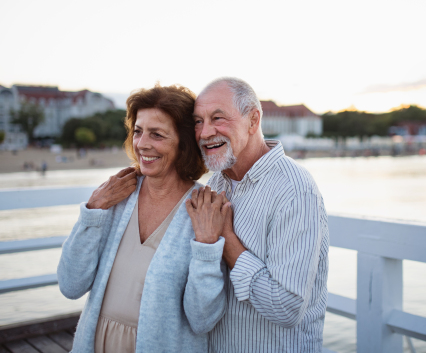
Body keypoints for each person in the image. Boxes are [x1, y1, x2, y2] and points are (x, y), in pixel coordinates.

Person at [57, 84, 229, 353]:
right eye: (138, 131)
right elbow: (70, 284)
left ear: (184, 143)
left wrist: (207, 247)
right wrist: (92, 211)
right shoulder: (115, 197)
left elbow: (202, 319)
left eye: (157, 134)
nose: (142, 144)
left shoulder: (203, 209)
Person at [187, 77, 329, 352]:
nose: (204, 133)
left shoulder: (295, 190)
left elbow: (287, 307)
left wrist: (227, 240)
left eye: (218, 118)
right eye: (198, 121)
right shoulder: (214, 185)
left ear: (253, 121)